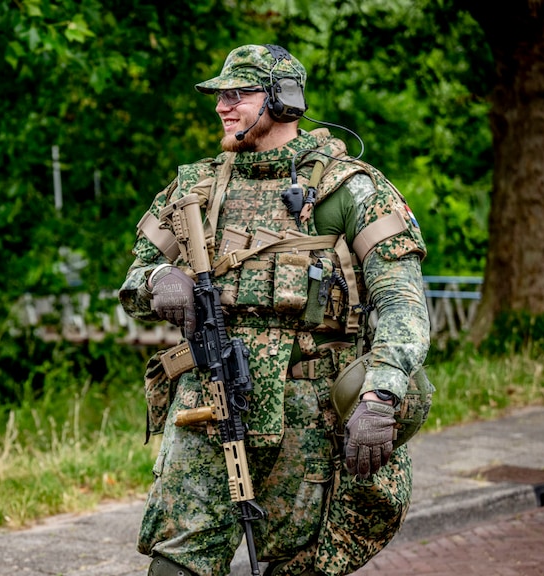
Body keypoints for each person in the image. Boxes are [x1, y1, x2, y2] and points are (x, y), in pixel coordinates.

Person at [118, 44, 431, 576]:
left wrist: (381, 393)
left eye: (239, 94)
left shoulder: (349, 188)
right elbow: (132, 281)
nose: (223, 105)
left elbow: (402, 302)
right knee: (178, 558)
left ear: (283, 101)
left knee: (303, 561)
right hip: (209, 399)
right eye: (220, 95)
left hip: (310, 410)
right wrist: (158, 280)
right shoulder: (193, 187)